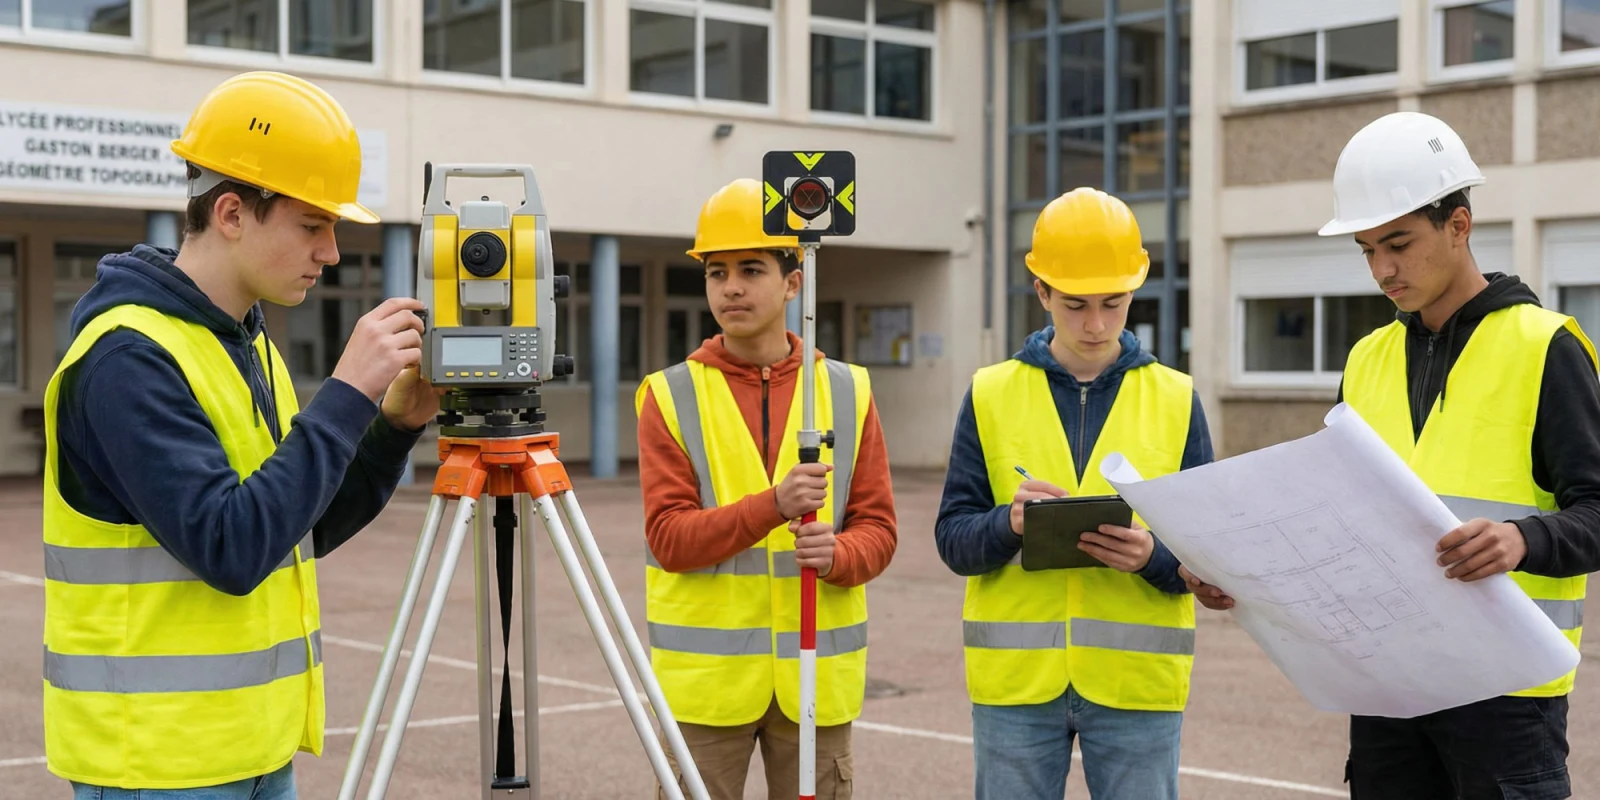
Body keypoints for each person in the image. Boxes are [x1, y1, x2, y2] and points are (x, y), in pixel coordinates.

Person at [41, 71, 439, 799]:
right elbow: (231, 546)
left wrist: (391, 426)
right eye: (312, 225)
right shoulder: (127, 356)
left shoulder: (247, 343)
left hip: (254, 752)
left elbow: (296, 530)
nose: (332, 253)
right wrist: (348, 390)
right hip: (157, 768)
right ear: (231, 212)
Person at [1316, 111, 1600, 798]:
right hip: (1389, 688)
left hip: (1505, 697)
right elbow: (1332, 516)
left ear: (1459, 225)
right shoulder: (1365, 360)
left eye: (1399, 243)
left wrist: (1521, 540)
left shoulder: (1546, 347)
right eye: (1366, 249)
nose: (1383, 270)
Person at [934, 187, 1215, 800]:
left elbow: (1211, 559)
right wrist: (1007, 524)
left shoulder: (1176, 399)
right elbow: (953, 541)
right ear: (1041, 292)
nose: (1095, 324)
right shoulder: (989, 393)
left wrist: (1153, 558)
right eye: (1076, 304)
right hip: (1016, 687)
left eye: (1113, 304)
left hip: (1136, 684)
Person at [634, 178, 898, 800]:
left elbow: (879, 531)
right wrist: (772, 507)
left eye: (751, 268)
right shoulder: (668, 394)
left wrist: (841, 557)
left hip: (816, 684)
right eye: (715, 271)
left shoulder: (847, 389)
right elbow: (669, 539)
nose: (730, 287)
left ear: (793, 280)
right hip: (707, 688)